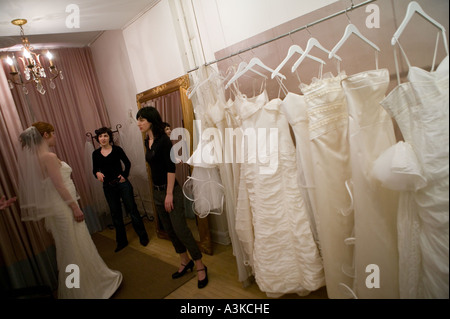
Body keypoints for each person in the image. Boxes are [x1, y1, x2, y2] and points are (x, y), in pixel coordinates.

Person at [17, 122, 122, 299]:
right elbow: (59, 186)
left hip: (57, 207)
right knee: (73, 249)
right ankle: (80, 292)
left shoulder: (36, 158)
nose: (56, 136)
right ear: (45, 136)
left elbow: (46, 187)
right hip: (64, 207)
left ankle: (76, 288)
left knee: (69, 249)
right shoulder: (48, 157)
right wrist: (75, 207)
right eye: (53, 133)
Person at [136, 106, 208, 289]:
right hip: (157, 192)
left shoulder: (164, 141)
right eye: (138, 120)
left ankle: (200, 265)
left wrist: (169, 194)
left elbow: (170, 168)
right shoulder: (148, 141)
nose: (139, 123)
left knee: (181, 229)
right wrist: (159, 194)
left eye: (142, 120)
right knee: (170, 230)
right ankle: (185, 261)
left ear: (151, 120)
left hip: (170, 191)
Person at [92, 127, 149, 252]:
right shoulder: (95, 154)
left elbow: (127, 163)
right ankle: (121, 241)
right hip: (108, 187)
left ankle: (143, 236)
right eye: (100, 136)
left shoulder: (117, 150)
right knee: (116, 214)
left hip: (123, 184)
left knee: (132, 209)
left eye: (105, 136)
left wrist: (124, 174)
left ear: (109, 138)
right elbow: (94, 170)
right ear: (98, 139)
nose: (103, 138)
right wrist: (97, 173)